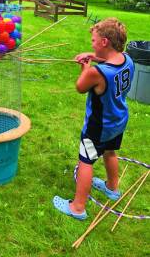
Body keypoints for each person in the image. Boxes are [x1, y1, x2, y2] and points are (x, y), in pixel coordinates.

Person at [53, 18, 134, 220]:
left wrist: (86, 66)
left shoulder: (98, 73)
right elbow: (110, 61)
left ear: (104, 42)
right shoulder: (127, 59)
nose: (92, 44)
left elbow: (81, 86)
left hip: (98, 127)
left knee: (86, 161)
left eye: (94, 41)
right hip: (118, 120)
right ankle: (112, 188)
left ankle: (78, 207)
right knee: (109, 151)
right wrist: (92, 56)